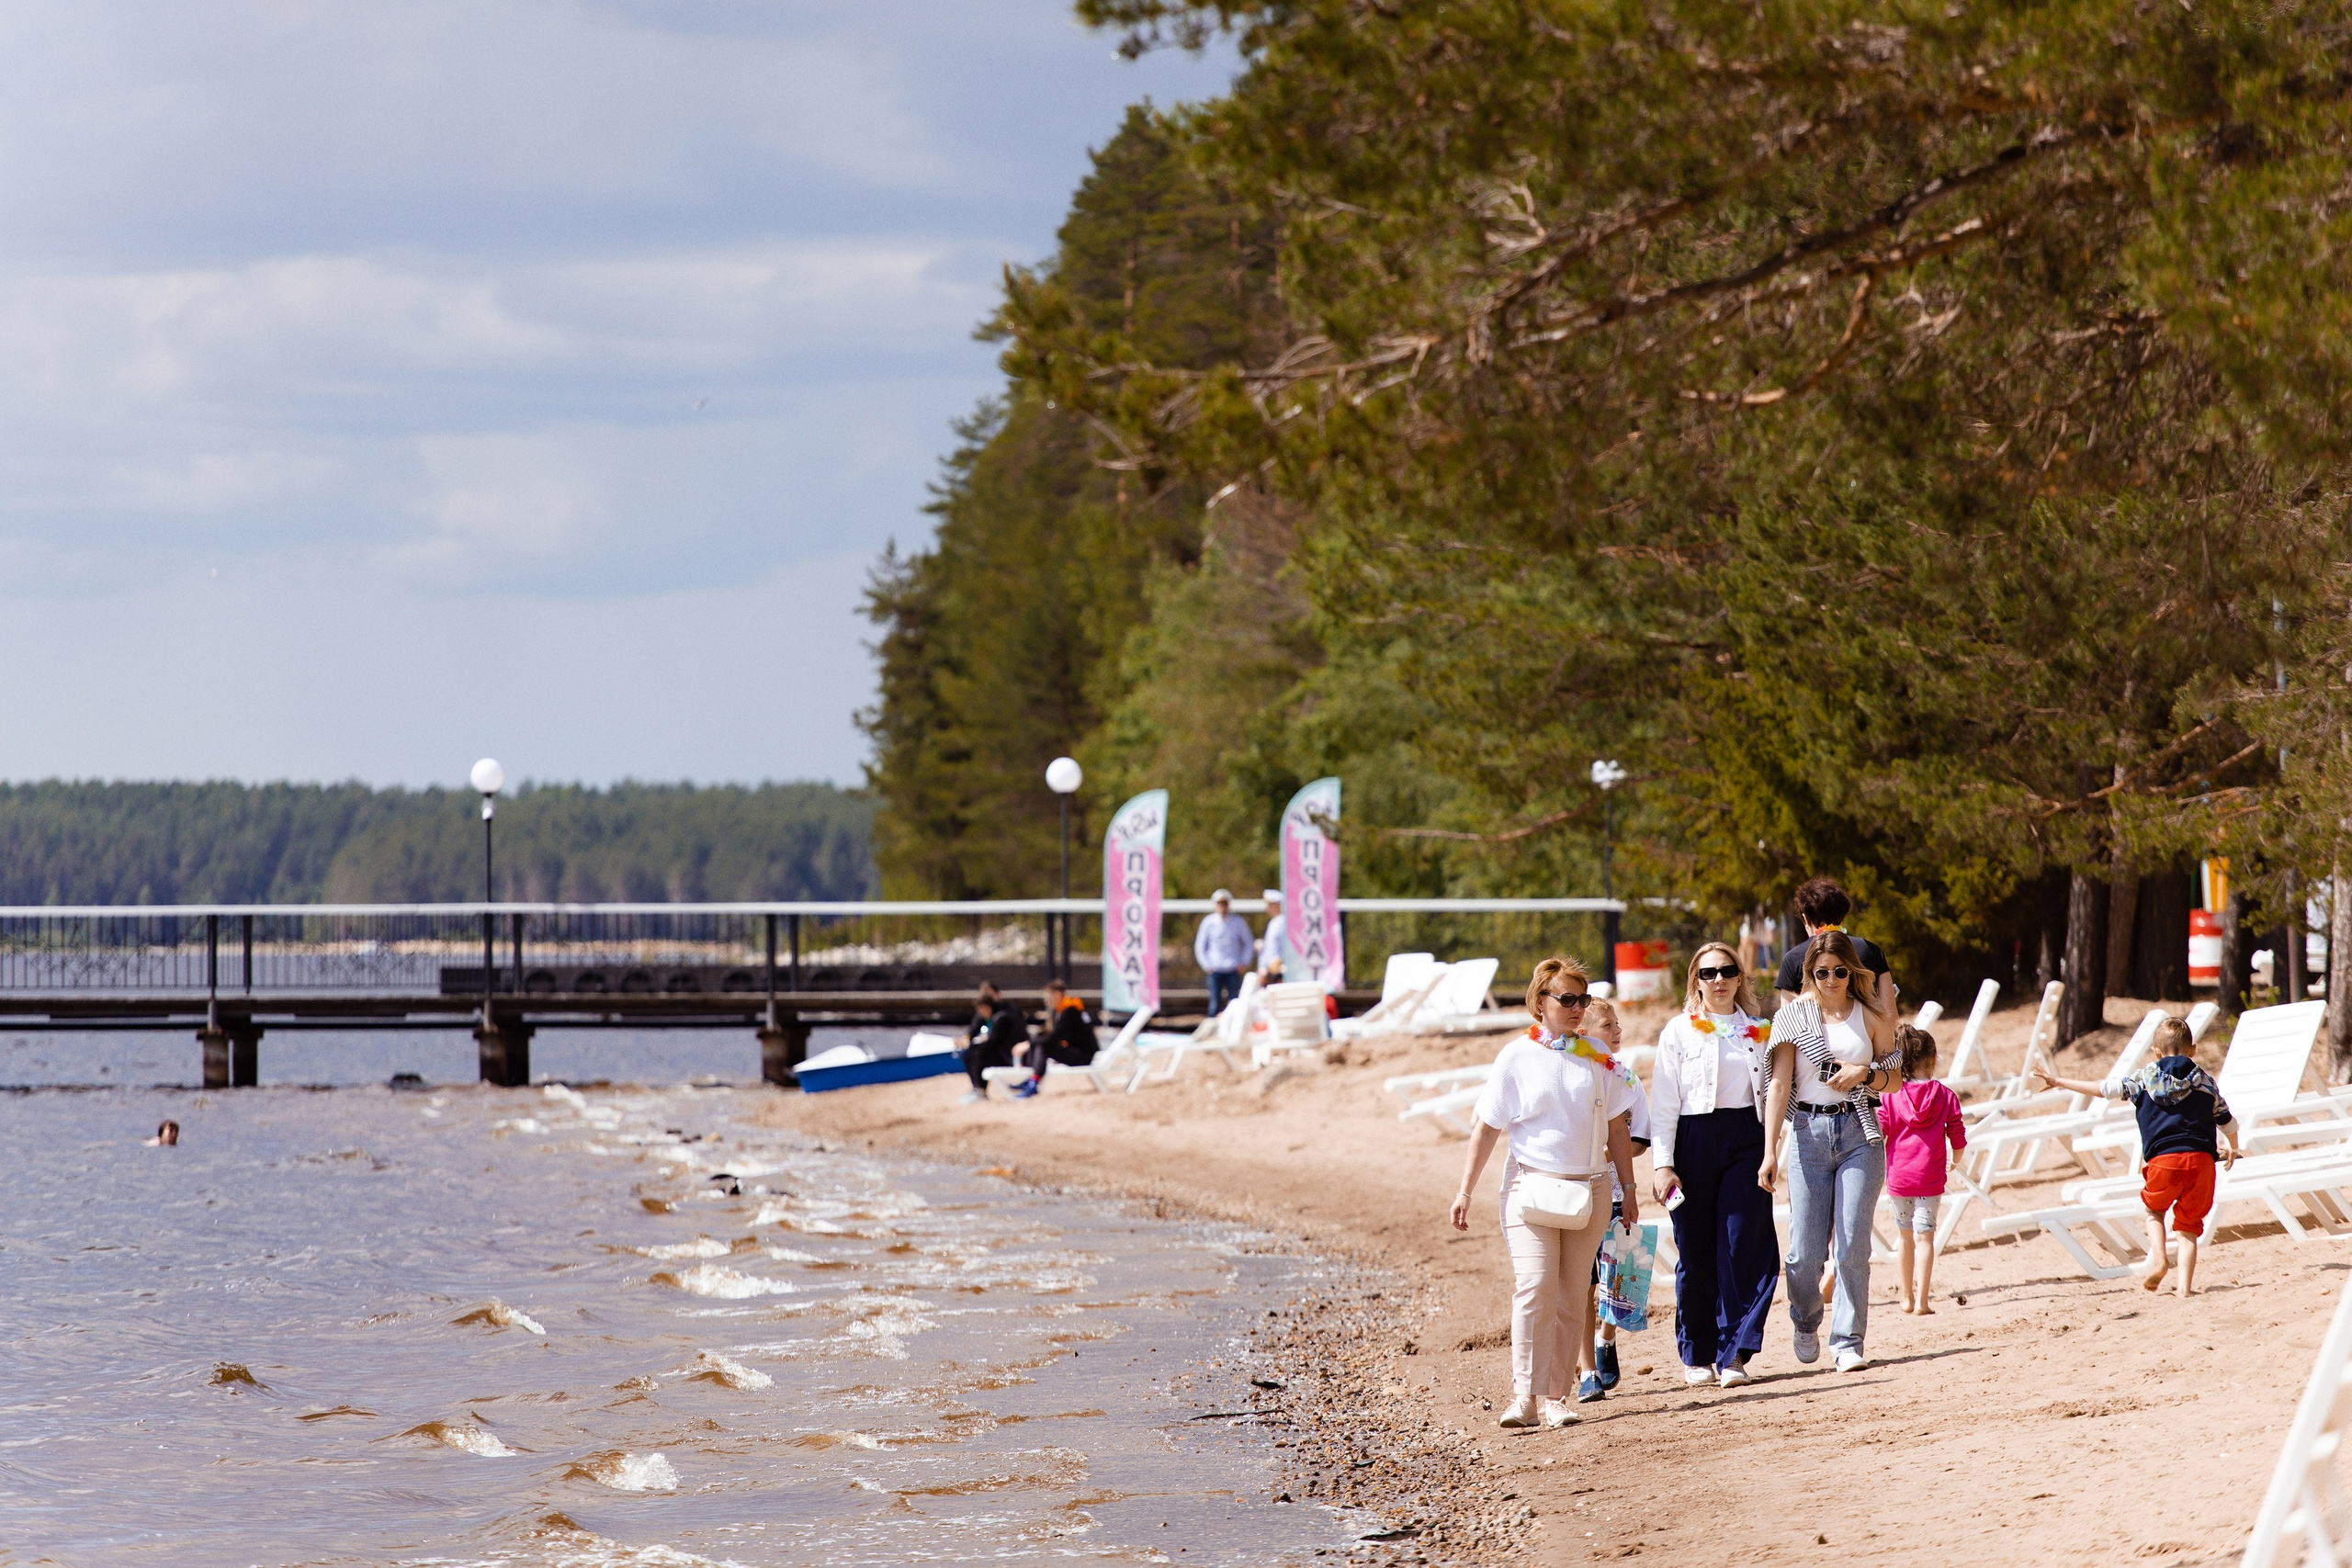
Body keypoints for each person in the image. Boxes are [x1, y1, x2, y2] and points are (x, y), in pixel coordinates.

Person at [1449, 956, 1645, 1429]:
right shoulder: (1515, 1057)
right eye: (1567, 999)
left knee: (1572, 1294)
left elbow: (1619, 1130)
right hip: (1529, 1188)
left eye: (1582, 999)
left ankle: (1556, 1397)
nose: (1577, 1008)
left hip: (1591, 1190)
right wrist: (1464, 1191)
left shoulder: (1598, 1057)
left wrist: (1631, 1190)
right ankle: (1524, 1397)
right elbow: (1487, 1128)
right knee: (1535, 1286)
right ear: (1540, 1002)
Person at [1765, 929, 1899, 1372]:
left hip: (1860, 1131)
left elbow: (1893, 1078)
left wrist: (1863, 1074)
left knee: (1852, 1247)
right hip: (1807, 1132)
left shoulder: (1873, 1016)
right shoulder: (1793, 1016)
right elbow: (1779, 1084)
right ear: (1810, 973)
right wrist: (1770, 1150)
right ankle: (1805, 1320)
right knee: (1803, 1253)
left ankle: (1847, 1342)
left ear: (1851, 971)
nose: (1831, 979)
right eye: (1822, 973)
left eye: (1840, 971)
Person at [1650, 942, 1780, 1388]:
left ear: (1740, 978)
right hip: (1693, 1140)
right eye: (1708, 973)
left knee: (1743, 1241)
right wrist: (1662, 1164)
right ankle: (1697, 1352)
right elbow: (1663, 1102)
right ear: (1696, 981)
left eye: (1727, 971)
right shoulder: (1678, 1031)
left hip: (1747, 1138)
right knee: (1696, 1248)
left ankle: (1735, 1353)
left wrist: (1772, 1150)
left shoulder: (1761, 1031)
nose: (1719, 980)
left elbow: (1778, 1093)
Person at [2034, 1018, 2239, 1296]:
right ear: (2193, 1050)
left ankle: (2160, 1259)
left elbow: (2102, 1089)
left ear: (2156, 1051)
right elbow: (2227, 1121)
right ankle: (2184, 1289)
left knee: (2155, 1211)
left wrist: (2058, 1080)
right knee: (2189, 1229)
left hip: (2163, 1162)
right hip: (2202, 1163)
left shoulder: (2144, 1078)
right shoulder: (2205, 1080)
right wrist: (2233, 1147)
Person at [1575, 998, 1650, 1402]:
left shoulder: (1626, 1078)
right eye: (1607, 1025)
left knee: (1622, 1272)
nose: (1618, 1030)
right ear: (1582, 1032)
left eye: (1618, 1023)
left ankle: (1607, 1337)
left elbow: (1638, 1138)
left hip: (1617, 1189)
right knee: (1584, 1281)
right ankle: (1587, 1370)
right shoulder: (1568, 1074)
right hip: (1572, 1193)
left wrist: (1606, 1157)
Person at [1878, 1025, 1967, 1314]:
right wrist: (1957, 1157)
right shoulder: (1945, 1095)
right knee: (1925, 1238)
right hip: (1929, 1177)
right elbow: (1957, 1132)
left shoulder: (1891, 1096)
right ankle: (1924, 1301)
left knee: (1904, 1236)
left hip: (1899, 1177)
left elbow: (1881, 1129)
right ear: (1934, 1058)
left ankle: (1905, 1297)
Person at [1773, 876, 1894, 1011]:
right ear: (1842, 916)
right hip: (1868, 1031)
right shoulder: (1871, 950)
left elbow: (1787, 1018)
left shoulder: (1793, 958)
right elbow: (1890, 1016)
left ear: (1805, 918)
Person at [1013, 978, 1100, 1098]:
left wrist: (1028, 1044)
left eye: (1048, 998)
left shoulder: (1070, 1011)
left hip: (1084, 1057)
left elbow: (1053, 1039)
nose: (1046, 1001)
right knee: (1040, 1041)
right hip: (1080, 1052)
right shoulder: (1066, 1009)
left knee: (1043, 1045)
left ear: (1058, 995)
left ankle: (1033, 1083)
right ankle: (1032, 1080)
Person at [957, 987, 1028, 1104]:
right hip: (1003, 1052)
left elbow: (993, 1042)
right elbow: (974, 1029)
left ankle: (980, 1091)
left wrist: (980, 1042)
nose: (980, 1013)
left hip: (1010, 1056)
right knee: (970, 1053)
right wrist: (967, 1039)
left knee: (978, 1054)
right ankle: (978, 1090)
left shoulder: (1002, 1017)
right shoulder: (991, 1015)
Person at [1194, 889, 1255, 1018]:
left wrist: (1244, 962)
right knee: (1214, 1003)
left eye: (1225, 903)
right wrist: (1206, 965)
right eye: (1219, 903)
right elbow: (1200, 945)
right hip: (1215, 969)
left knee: (1234, 1002)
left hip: (1233, 968)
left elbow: (1249, 943)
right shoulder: (1208, 922)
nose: (1222, 906)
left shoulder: (1238, 922)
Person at [1258, 888, 1292, 979]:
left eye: (1270, 904)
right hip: (1270, 969)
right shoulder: (1274, 923)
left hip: (1278, 970)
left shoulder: (1283, 922)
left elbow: (1284, 950)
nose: (1267, 908)